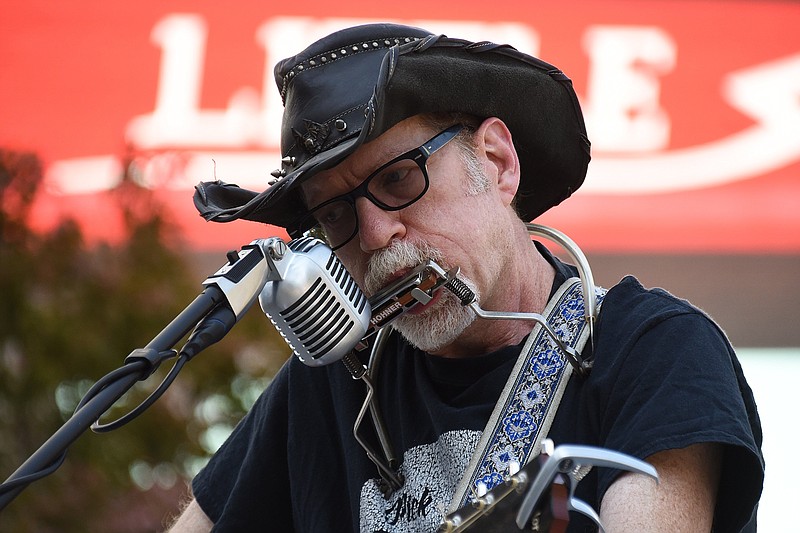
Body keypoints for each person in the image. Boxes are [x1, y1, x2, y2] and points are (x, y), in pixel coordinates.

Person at [170, 23, 763, 532]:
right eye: (336, 214)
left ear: (498, 162)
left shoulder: (653, 352)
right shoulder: (330, 385)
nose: (376, 235)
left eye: (399, 178)